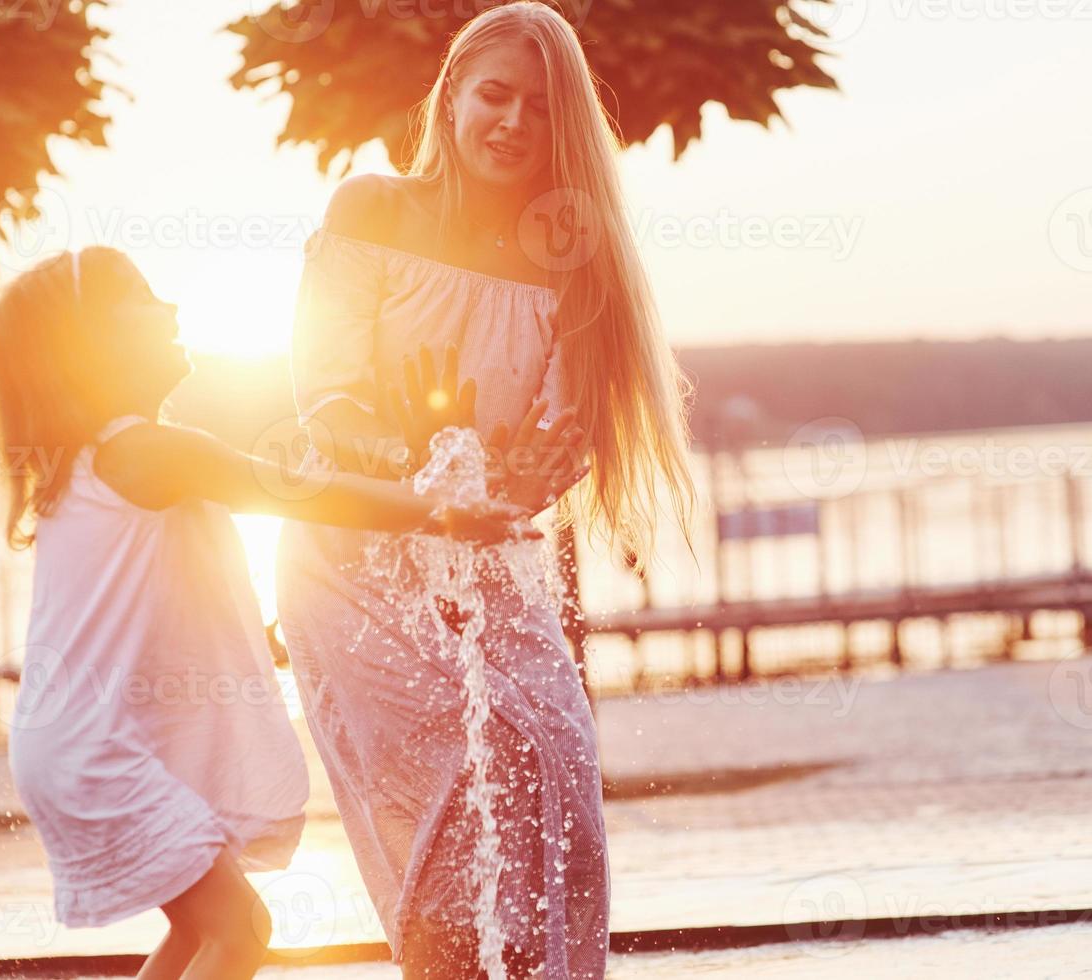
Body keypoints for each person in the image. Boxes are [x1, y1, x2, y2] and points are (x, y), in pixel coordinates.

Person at [275, 3, 699, 977]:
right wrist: (415, 455)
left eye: (541, 109)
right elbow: (325, 395)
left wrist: (550, 460)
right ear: (453, 92)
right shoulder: (371, 208)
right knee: (456, 815)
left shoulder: (566, 250)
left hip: (489, 548)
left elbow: (564, 429)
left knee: (557, 776)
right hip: (354, 554)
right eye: (494, 95)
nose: (512, 123)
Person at [0, 246, 529, 979]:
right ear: (91, 349)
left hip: (70, 747)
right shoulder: (144, 452)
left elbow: (169, 608)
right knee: (241, 934)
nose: (170, 309)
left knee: (199, 936)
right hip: (92, 752)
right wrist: (441, 509)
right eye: (143, 299)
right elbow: (292, 487)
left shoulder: (91, 465)